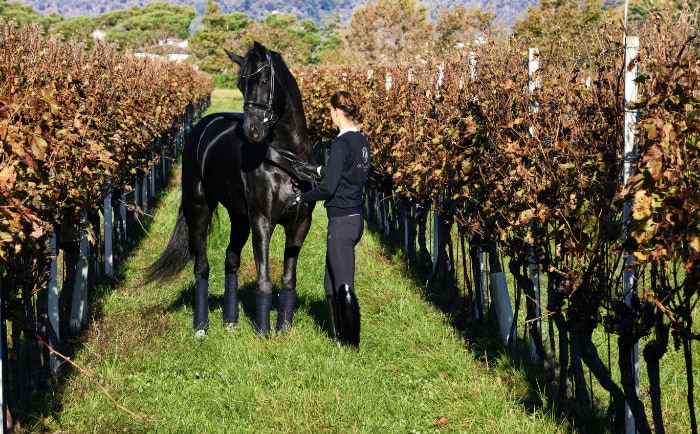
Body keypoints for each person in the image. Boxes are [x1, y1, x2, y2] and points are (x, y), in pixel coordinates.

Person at [285, 90, 370, 347]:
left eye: (330, 112)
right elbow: (347, 172)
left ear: (336, 112)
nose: (330, 116)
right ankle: (337, 338)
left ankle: (351, 346)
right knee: (330, 283)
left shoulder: (340, 143)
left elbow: (329, 189)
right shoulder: (361, 142)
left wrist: (300, 198)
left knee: (344, 286)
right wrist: (319, 169)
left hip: (342, 221)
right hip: (354, 218)